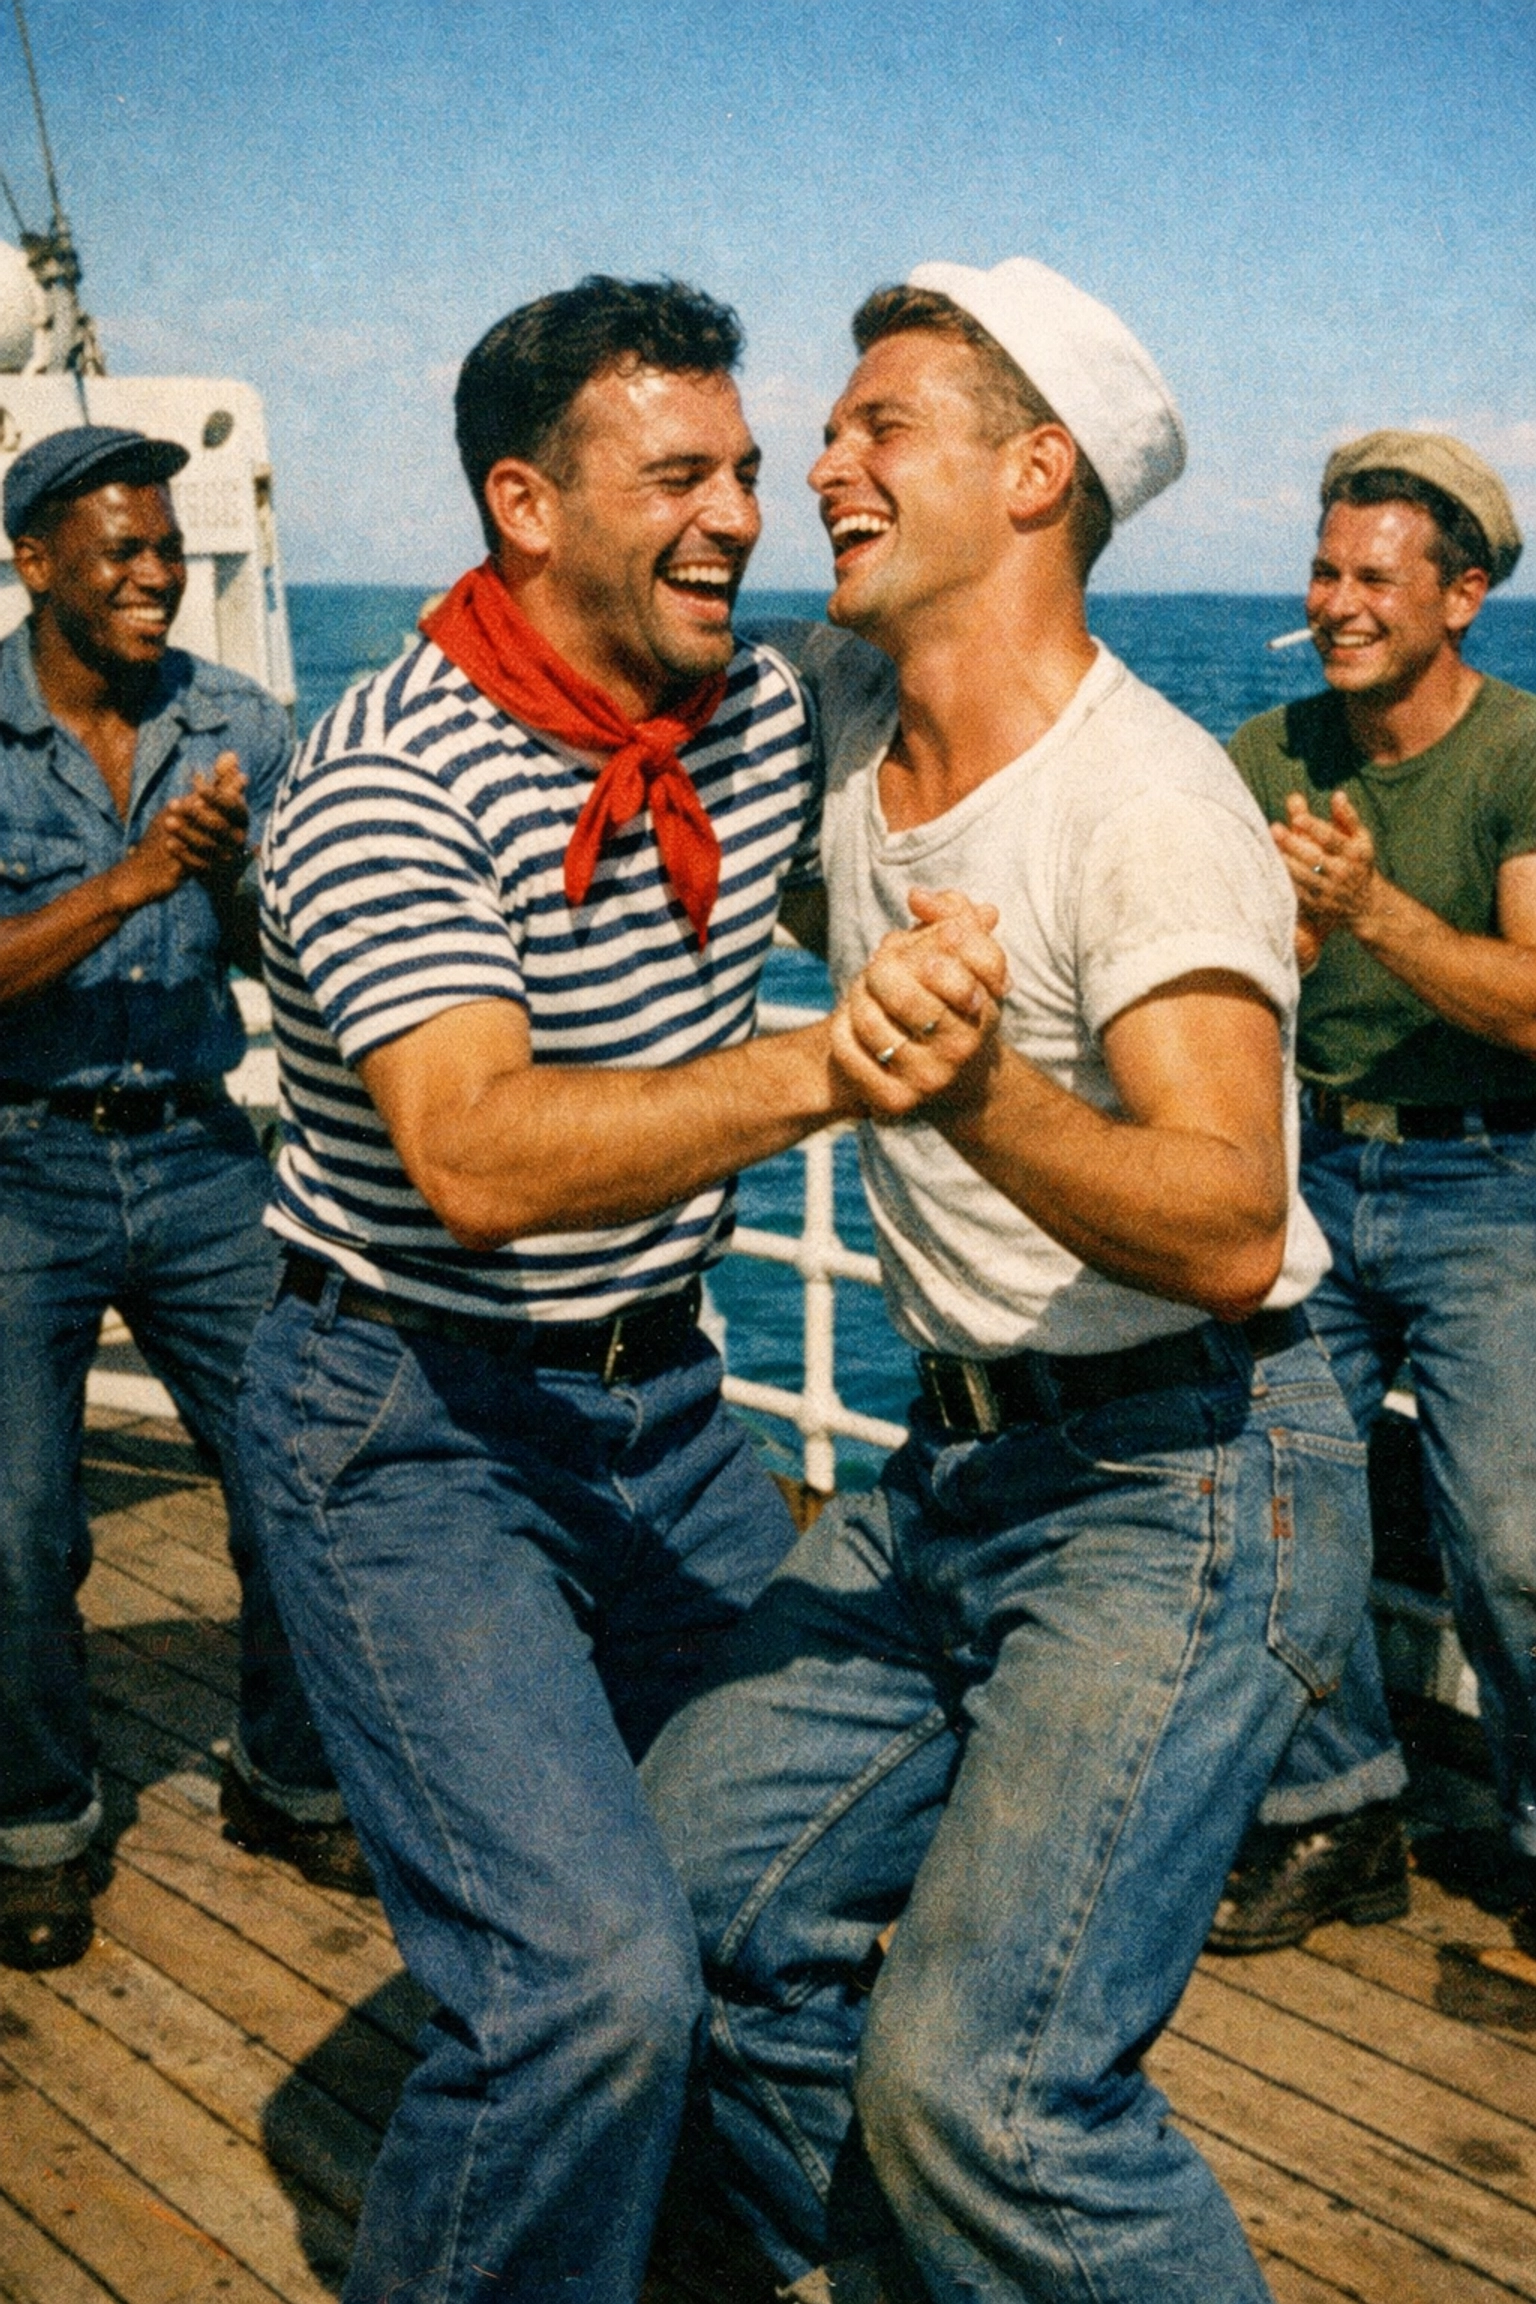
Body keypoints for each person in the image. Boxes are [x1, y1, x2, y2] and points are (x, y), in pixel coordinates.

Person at [235, 275, 993, 2304]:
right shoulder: (382, 779)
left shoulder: (756, 701)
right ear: (525, 505)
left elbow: (979, 626)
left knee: (777, 1885)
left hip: (665, 1412)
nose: (740, 514)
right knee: (582, 1986)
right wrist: (836, 1060)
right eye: (680, 473)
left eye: (748, 467)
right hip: (411, 1422)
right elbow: (473, 1157)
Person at [642, 257, 1370, 2304]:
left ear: (1034, 472)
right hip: (946, 1470)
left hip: (1185, 1480)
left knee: (996, 2092)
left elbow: (1230, 1225)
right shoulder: (854, 716)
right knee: (685, 1922)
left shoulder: (1148, 809)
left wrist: (967, 1091)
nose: (826, 463)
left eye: (882, 427)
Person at [0, 423, 360, 1977]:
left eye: (174, 552)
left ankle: (289, 1774)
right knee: (16, 1527)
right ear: (32, 565)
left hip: (206, 1154)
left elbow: (302, 943)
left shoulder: (240, 722)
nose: (160, 578)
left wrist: (219, 881)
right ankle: (37, 1822)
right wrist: (132, 882)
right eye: (124, 553)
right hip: (20, 1162)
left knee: (303, 1476)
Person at [1209, 432, 1536, 1954]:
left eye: (1374, 577)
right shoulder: (1267, 757)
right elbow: (1221, 969)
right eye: (1324, 570)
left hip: (1496, 1179)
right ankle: (1337, 1814)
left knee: (1518, 1545)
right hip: (1317, 1167)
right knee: (1269, 1500)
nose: (1336, 601)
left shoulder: (1521, 756)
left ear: (1462, 595)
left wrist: (1368, 909)